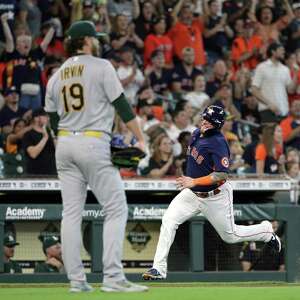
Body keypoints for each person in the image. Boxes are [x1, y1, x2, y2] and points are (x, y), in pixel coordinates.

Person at [44, 20, 148, 293]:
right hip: (93, 141)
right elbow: (121, 105)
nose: (98, 41)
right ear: (86, 41)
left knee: (71, 214)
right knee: (116, 208)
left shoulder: (56, 75)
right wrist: (140, 137)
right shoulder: (101, 66)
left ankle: (77, 282)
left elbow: (52, 120)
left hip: (64, 144)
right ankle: (113, 278)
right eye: (95, 38)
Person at [142, 105, 281, 280]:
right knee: (169, 220)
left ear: (217, 124)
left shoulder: (218, 142)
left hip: (215, 195)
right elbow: (195, 161)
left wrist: (193, 181)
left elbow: (222, 174)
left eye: (209, 121)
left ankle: (266, 231)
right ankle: (158, 269)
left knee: (230, 236)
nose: (205, 123)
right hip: (192, 193)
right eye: (204, 119)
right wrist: (189, 178)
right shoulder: (195, 134)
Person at [251, 42, 296, 123]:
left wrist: (297, 75)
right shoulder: (262, 67)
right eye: (281, 50)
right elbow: (254, 89)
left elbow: (290, 90)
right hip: (268, 110)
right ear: (273, 52)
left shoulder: (285, 69)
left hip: (284, 111)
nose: (283, 52)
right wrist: (269, 104)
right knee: (269, 135)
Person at [22, 108, 56, 176]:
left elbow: (59, 151)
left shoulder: (51, 133)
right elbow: (33, 154)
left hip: (52, 174)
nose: (48, 118)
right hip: (35, 175)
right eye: (46, 116)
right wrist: (45, 138)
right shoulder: (28, 135)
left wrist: (51, 132)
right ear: (37, 118)